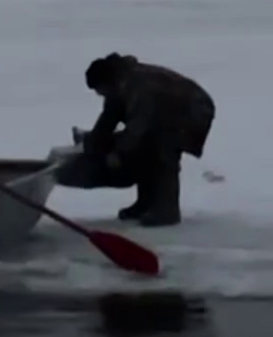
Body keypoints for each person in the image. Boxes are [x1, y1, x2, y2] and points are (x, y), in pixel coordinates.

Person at [71, 53, 215, 227]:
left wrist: (118, 153)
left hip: (193, 110)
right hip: (168, 112)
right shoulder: (120, 83)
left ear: (108, 82)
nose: (99, 95)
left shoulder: (139, 86)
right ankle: (146, 203)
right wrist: (95, 141)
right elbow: (109, 117)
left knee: (161, 151)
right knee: (144, 149)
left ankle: (167, 211)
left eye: (100, 90)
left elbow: (138, 125)